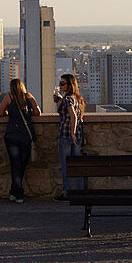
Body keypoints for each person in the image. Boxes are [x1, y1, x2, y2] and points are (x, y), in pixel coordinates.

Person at [0, 78, 41, 203]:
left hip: (12, 136)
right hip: (25, 136)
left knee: (15, 165)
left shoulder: (9, 97)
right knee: (21, 164)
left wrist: (9, 112)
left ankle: (15, 192)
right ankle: (18, 193)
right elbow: (38, 113)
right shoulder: (28, 97)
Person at [53, 73, 84, 201]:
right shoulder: (76, 98)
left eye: (62, 83)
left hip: (66, 134)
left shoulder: (68, 99)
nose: (60, 85)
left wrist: (72, 132)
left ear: (69, 85)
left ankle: (67, 193)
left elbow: (73, 116)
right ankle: (80, 192)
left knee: (66, 165)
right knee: (77, 165)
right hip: (78, 134)